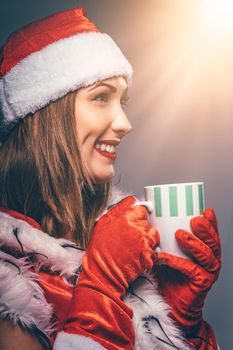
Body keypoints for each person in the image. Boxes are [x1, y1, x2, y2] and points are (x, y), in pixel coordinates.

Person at [0, 7, 221, 350]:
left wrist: (180, 325)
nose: (124, 122)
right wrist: (103, 284)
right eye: (101, 97)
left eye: (123, 102)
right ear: (43, 114)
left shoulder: (120, 245)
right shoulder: (8, 278)